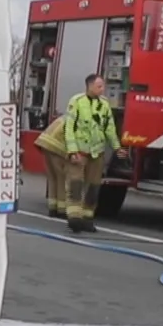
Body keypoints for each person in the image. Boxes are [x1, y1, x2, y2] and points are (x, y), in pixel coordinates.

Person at [62, 73, 119, 233]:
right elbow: (69, 128)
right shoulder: (77, 102)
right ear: (90, 86)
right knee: (75, 184)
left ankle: (88, 218)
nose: (102, 89)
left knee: (94, 186)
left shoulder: (105, 105)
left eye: (103, 86)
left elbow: (110, 128)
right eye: (99, 86)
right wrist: (72, 151)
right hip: (79, 152)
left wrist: (117, 148)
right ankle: (74, 217)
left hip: (97, 153)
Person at [30, 112, 71, 219]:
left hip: (45, 143)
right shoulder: (79, 120)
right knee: (61, 177)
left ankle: (52, 208)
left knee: (53, 178)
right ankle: (62, 210)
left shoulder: (67, 116)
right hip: (57, 147)